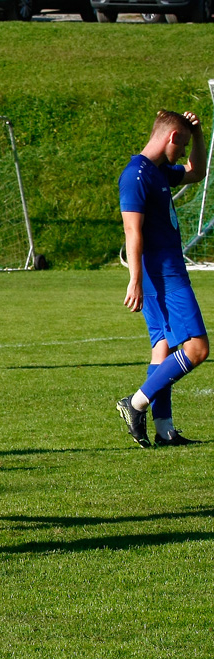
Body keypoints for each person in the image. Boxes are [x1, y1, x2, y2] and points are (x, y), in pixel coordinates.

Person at [116, 110, 208, 448]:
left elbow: (195, 172)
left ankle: (165, 430)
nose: (183, 152)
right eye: (182, 144)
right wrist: (135, 280)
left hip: (163, 272)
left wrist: (197, 134)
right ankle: (135, 403)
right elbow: (132, 231)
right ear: (170, 137)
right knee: (197, 349)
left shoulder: (155, 171)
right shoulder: (135, 176)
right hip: (163, 274)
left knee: (162, 348)